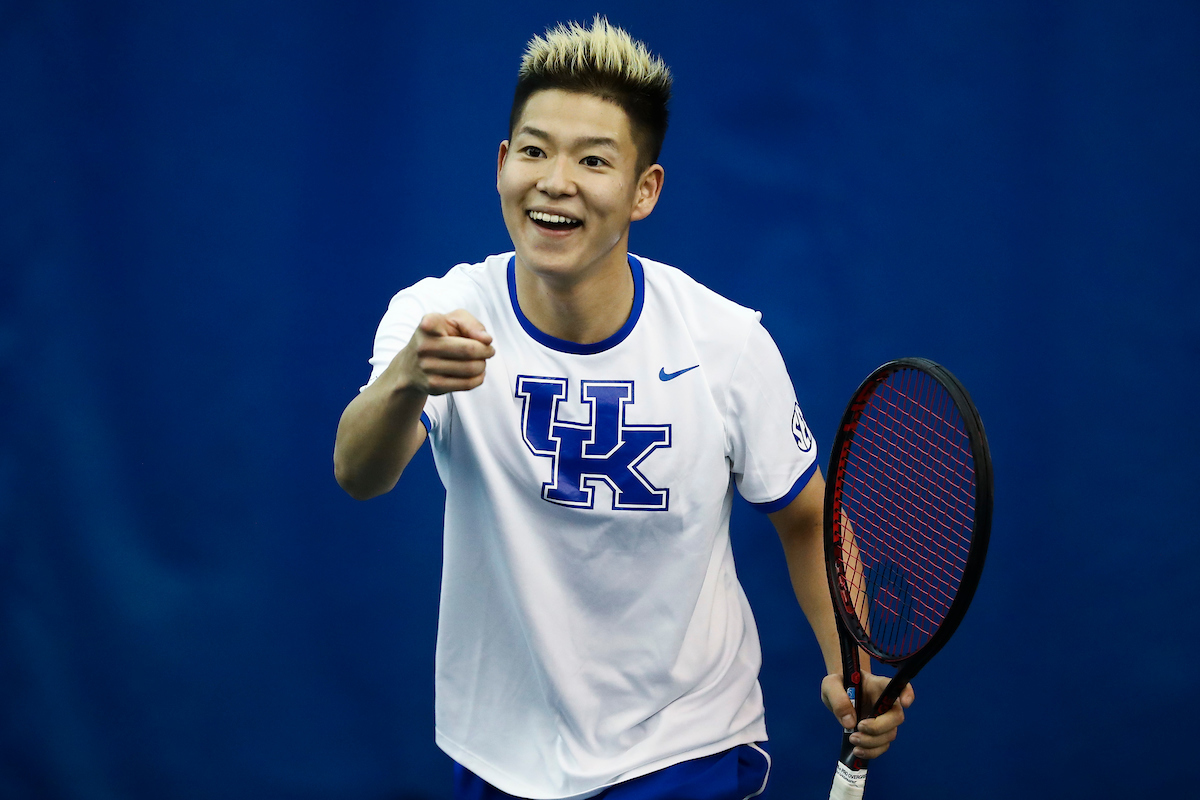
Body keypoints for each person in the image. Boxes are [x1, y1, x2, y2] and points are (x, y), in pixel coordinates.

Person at [334, 16, 913, 800]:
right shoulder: (436, 314)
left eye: (593, 160)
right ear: (503, 164)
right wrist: (407, 380)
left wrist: (850, 664)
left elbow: (806, 516)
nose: (555, 180)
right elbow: (358, 473)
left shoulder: (726, 341)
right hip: (502, 751)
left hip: (686, 745)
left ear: (646, 190)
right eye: (534, 151)